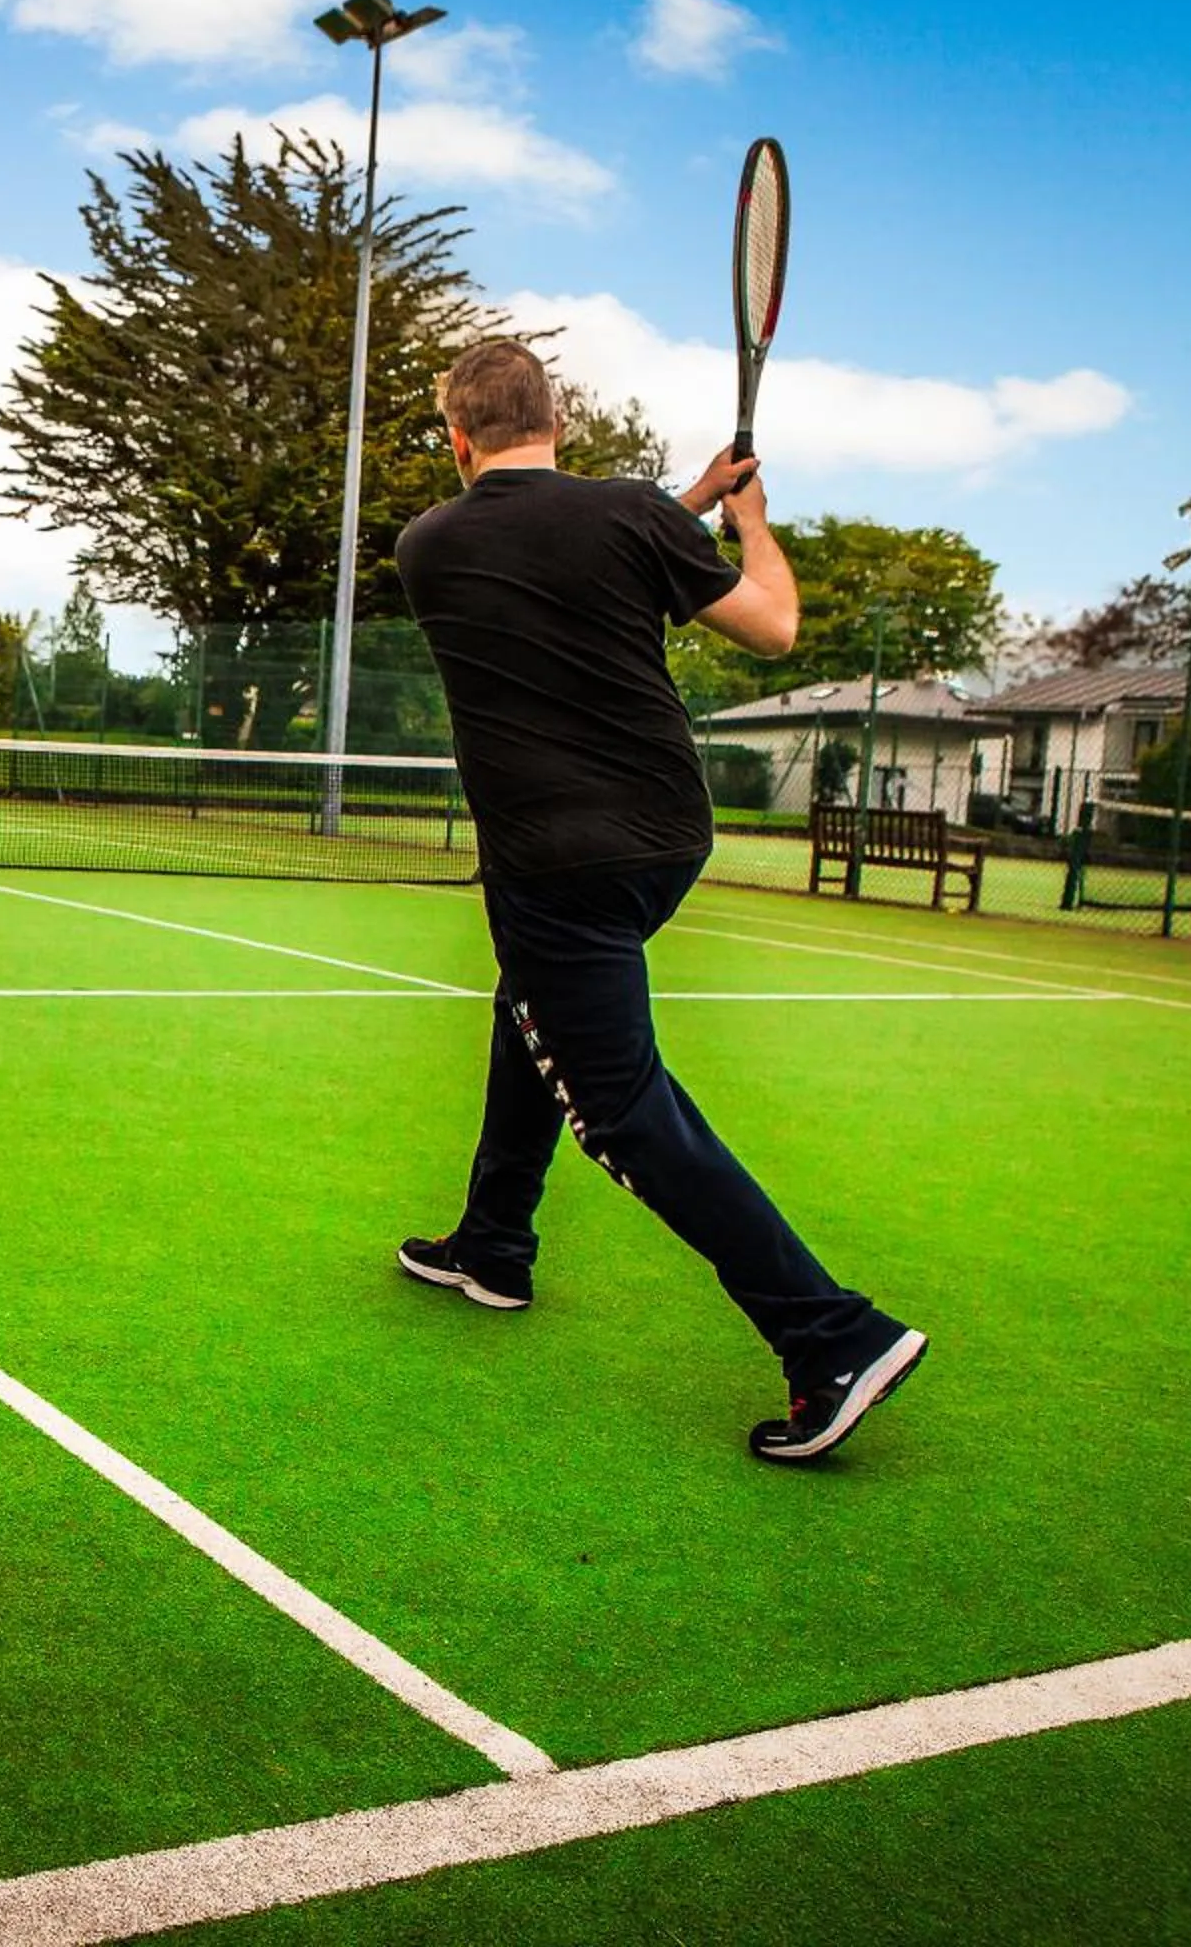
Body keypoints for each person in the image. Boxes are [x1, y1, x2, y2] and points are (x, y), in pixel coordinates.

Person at [391, 336, 927, 1462]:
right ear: (560, 425)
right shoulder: (634, 518)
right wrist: (747, 520)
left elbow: (549, 545)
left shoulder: (429, 546)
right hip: (667, 842)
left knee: (625, 1107)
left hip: (554, 860)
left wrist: (700, 507)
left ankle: (831, 1333)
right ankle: (494, 1243)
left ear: (456, 438)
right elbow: (771, 619)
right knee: (527, 1007)